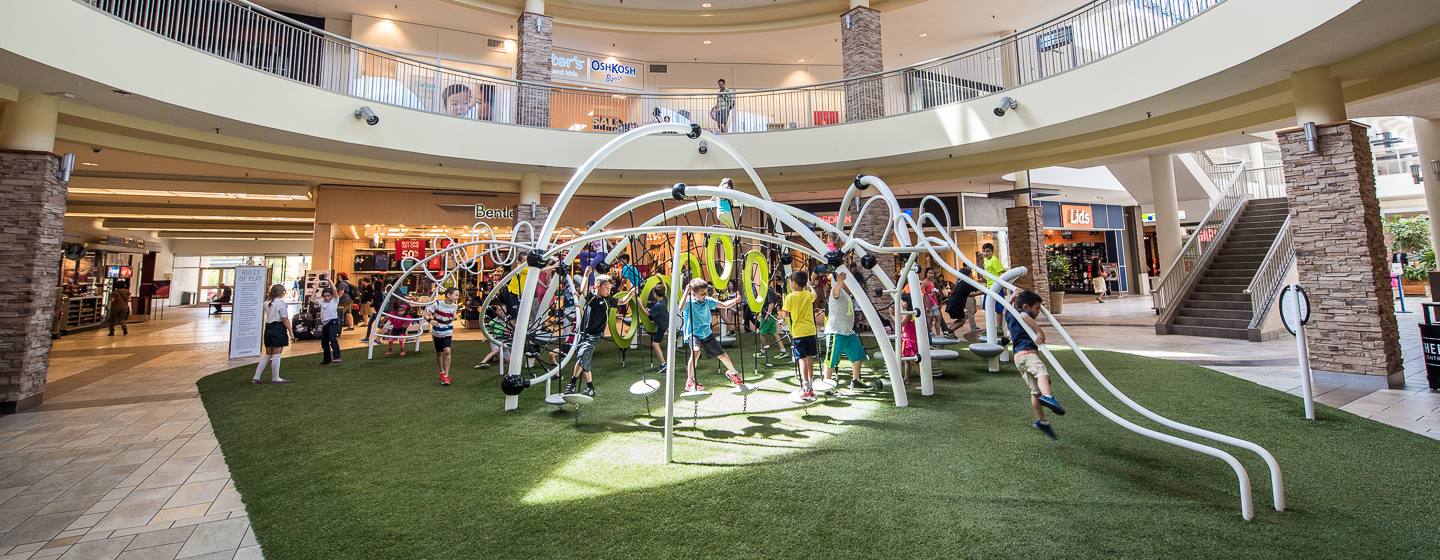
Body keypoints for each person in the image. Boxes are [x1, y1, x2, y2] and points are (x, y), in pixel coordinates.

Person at [1006, 289, 1067, 439]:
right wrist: (1039, 331)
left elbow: (1006, 308)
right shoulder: (1023, 314)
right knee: (1042, 372)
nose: (1038, 312)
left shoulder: (1010, 316)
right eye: (1037, 308)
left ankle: (1042, 421)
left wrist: (1012, 297)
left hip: (1019, 358)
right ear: (1026, 306)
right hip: (1027, 354)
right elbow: (1023, 315)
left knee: (1035, 391)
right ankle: (1048, 396)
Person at [566, 272, 636, 397]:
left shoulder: (609, 300)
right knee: (584, 361)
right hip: (583, 333)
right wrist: (586, 275)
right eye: (606, 288)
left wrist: (630, 293)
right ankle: (590, 388)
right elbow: (583, 290)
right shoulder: (592, 297)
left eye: (610, 288)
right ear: (598, 287)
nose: (608, 291)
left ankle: (572, 383)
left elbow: (623, 301)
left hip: (595, 335)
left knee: (582, 355)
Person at [681, 278, 745, 392]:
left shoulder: (708, 301)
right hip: (693, 333)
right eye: (702, 293)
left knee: (722, 355)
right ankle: (690, 381)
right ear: (694, 293)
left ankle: (733, 373)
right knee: (695, 351)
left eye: (706, 292)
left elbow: (724, 305)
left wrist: (736, 300)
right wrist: (686, 291)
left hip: (706, 332)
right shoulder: (689, 301)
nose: (705, 295)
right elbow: (680, 307)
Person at [822, 265, 871, 390]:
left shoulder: (848, 295)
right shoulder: (837, 291)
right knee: (830, 361)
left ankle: (856, 381)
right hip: (836, 332)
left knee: (859, 355)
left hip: (848, 332)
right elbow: (835, 292)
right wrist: (839, 282)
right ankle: (827, 387)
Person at [780, 271, 819, 399]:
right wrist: (810, 286)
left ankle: (805, 386)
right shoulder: (808, 295)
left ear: (793, 283)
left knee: (801, 358)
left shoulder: (789, 297)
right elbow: (815, 295)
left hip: (798, 332)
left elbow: (785, 315)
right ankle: (811, 385)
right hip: (811, 331)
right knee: (809, 358)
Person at [253, 284, 292, 384]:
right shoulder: (281, 304)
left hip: (269, 328)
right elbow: (285, 319)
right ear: (282, 293)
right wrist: (291, 331)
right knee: (277, 354)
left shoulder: (266, 303)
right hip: (278, 328)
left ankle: (256, 377)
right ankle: (275, 377)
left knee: (268, 354)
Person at [426, 288, 460, 386]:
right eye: (456, 295)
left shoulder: (455, 307)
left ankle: (446, 376)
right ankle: (441, 371)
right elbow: (426, 315)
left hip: (448, 331)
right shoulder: (437, 304)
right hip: (437, 331)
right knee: (438, 352)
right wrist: (430, 321)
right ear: (448, 295)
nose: (457, 297)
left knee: (447, 351)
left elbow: (451, 318)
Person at [754, 279, 788, 359]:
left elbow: (771, 303)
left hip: (768, 314)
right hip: (772, 314)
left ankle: (763, 351)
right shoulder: (770, 289)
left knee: (762, 333)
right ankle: (783, 350)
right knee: (774, 332)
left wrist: (767, 315)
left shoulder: (768, 290)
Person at [946, 266, 982, 333]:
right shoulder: (966, 283)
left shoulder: (960, 282)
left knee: (960, 319)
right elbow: (978, 287)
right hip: (956, 304)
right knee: (962, 321)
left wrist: (979, 294)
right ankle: (950, 331)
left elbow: (966, 294)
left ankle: (948, 331)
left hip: (953, 303)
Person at [313, 287, 342, 366]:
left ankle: (337, 357)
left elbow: (335, 290)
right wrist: (314, 290)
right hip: (325, 323)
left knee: (332, 338)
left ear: (332, 296)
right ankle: (327, 360)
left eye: (328, 296)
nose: (327, 298)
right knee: (324, 342)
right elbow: (312, 300)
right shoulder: (322, 303)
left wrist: (329, 280)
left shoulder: (334, 301)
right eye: (325, 296)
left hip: (333, 321)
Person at [647, 284, 670, 375]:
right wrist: (661, 278)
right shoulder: (665, 298)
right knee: (656, 343)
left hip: (662, 326)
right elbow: (665, 287)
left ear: (655, 294)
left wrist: (639, 303)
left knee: (655, 344)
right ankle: (664, 364)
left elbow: (647, 314)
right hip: (664, 322)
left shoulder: (658, 305)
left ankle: (663, 364)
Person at [899, 294, 919, 387]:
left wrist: (892, 316)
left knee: (915, 361)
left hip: (909, 339)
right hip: (907, 338)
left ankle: (924, 380)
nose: (902, 303)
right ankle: (906, 378)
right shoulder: (907, 313)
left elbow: (900, 324)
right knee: (907, 360)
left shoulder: (908, 313)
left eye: (903, 301)